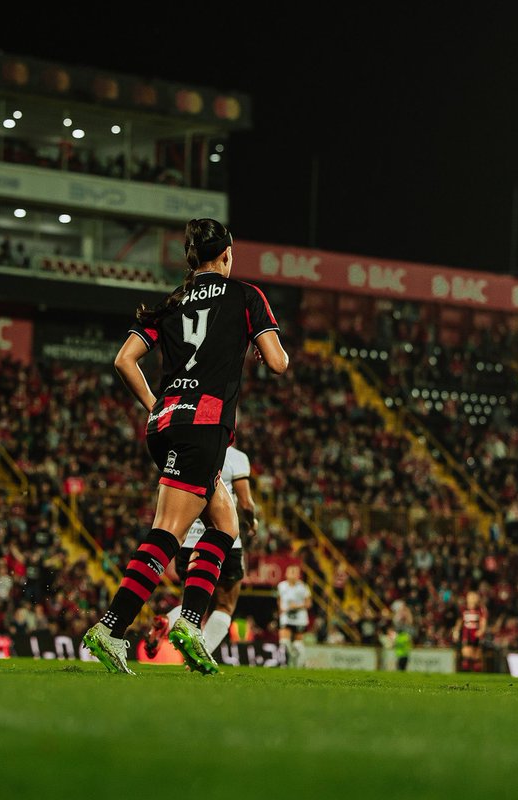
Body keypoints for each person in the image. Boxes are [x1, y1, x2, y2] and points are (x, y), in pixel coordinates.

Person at [83, 218, 288, 676]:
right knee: (169, 531)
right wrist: (260, 345)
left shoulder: (170, 302)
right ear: (227, 255)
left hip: (166, 422)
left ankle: (190, 623)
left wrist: (157, 405)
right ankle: (112, 628)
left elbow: (124, 360)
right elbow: (278, 362)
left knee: (224, 523)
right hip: (206, 423)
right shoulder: (245, 295)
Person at [145, 444, 257, 658]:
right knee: (225, 604)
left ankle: (168, 620)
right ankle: (199, 654)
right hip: (223, 539)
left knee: (193, 602)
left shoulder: (187, 449)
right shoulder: (236, 457)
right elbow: (246, 503)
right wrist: (252, 522)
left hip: (187, 540)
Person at [276, 564, 312, 667]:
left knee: (298, 644)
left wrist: (297, 606)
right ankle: (285, 663)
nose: (293, 574)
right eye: (291, 571)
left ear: (298, 575)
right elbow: (279, 599)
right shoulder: (281, 586)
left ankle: (301, 664)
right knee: (284, 642)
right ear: (286, 574)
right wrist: (280, 610)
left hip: (299, 618)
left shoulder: (303, 587)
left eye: (295, 572)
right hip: (286, 617)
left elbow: (308, 604)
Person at [452, 590, 488, 672]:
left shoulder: (481, 609)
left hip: (476, 634)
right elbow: (460, 621)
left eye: (474, 597)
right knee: (466, 655)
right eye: (470, 597)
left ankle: (477, 673)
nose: (472, 599)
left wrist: (482, 630)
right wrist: (456, 631)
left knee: (477, 656)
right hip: (467, 634)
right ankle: (466, 672)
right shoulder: (463, 609)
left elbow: (483, 621)